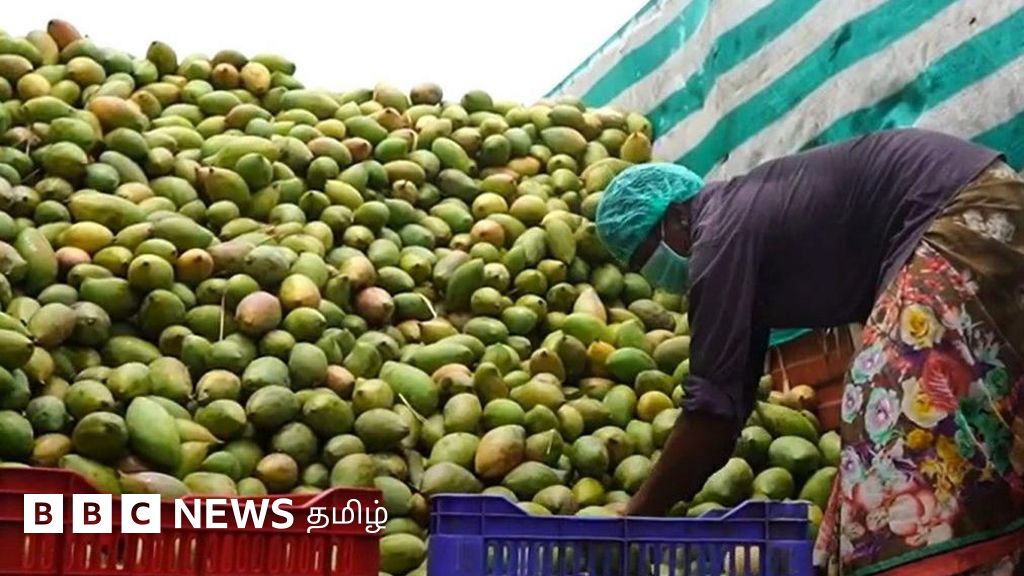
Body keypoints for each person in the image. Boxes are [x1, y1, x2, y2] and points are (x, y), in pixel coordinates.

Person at [595, 128, 1024, 576]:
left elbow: (707, 414)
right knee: (973, 431)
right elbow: (724, 410)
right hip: (995, 206)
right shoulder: (740, 225)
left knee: (890, 410)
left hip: (960, 212)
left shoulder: (719, 233)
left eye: (647, 254)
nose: (652, 274)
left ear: (675, 219)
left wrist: (635, 517)